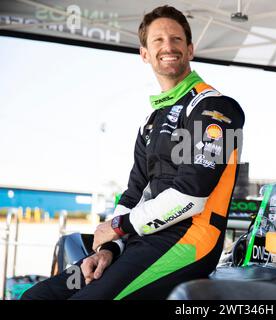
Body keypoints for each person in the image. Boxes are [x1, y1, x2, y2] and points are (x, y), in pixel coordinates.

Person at [22, 5, 245, 300]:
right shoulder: (150, 122)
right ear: (144, 54)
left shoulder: (215, 107)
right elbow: (133, 194)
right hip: (139, 242)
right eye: (158, 40)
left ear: (190, 49)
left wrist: (116, 227)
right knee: (39, 296)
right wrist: (110, 249)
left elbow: (191, 196)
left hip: (189, 242)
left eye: (177, 40)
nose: (169, 46)